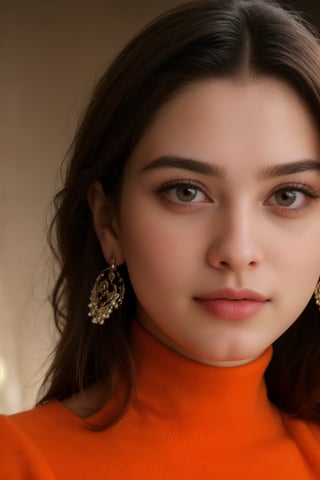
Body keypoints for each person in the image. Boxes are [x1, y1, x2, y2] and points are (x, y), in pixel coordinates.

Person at [2, 0, 320, 477]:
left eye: (289, 195)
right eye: (186, 191)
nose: (237, 250)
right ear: (109, 222)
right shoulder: (19, 460)